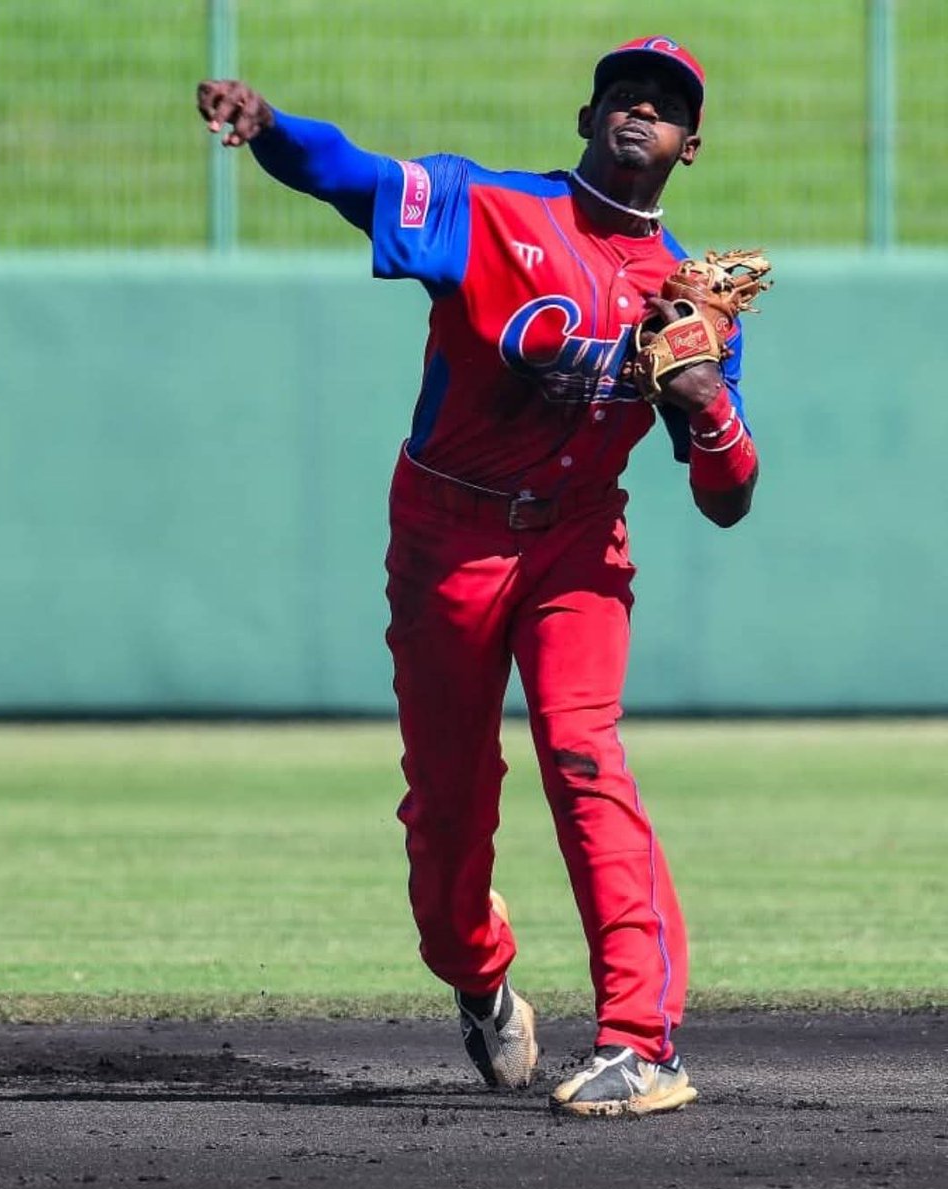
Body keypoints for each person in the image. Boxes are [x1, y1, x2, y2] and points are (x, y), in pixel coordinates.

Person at [197, 34, 759, 1118]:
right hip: (447, 535)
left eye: (666, 104)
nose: (640, 109)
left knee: (586, 758)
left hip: (577, 547)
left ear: (691, 146)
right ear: (587, 119)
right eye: (621, 94)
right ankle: (478, 968)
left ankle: (643, 1040)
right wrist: (268, 129)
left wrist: (708, 399)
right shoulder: (494, 211)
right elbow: (351, 174)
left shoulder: (688, 301)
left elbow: (729, 494)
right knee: (449, 808)